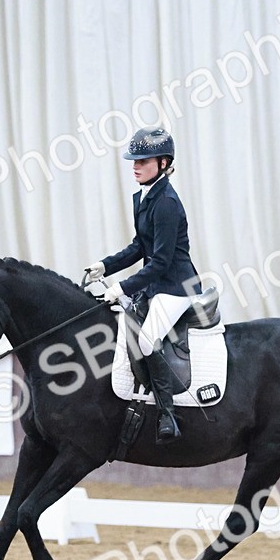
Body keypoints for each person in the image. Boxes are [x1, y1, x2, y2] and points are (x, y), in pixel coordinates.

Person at [85, 127, 201, 444]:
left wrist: (121, 287)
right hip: (156, 284)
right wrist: (104, 266)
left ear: (163, 163)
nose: (135, 166)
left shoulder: (166, 203)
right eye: (133, 160)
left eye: (143, 160)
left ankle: (168, 416)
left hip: (177, 286)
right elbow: (140, 247)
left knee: (147, 341)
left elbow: (161, 262)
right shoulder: (144, 196)